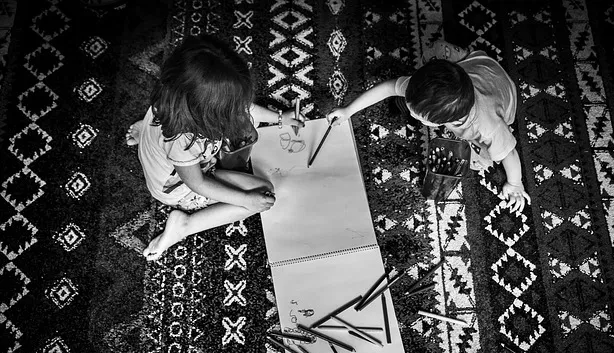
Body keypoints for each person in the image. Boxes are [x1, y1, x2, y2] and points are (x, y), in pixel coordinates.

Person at [126, 35, 304, 261]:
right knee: (261, 194)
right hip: (180, 187)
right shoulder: (182, 140)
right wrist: (244, 200)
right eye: (228, 107)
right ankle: (184, 225)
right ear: (205, 111)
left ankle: (147, 134)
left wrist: (280, 119)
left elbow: (242, 108)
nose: (238, 109)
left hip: (169, 149)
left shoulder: (175, 94)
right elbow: (198, 183)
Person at [327, 40, 531, 213]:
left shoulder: (487, 127)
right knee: (435, 49)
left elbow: (509, 154)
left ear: (441, 122)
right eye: (410, 105)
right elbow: (390, 87)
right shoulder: (422, 88)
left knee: (483, 159)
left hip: (504, 97)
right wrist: (348, 111)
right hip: (479, 64)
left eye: (417, 114)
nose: (412, 112)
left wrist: (515, 183)